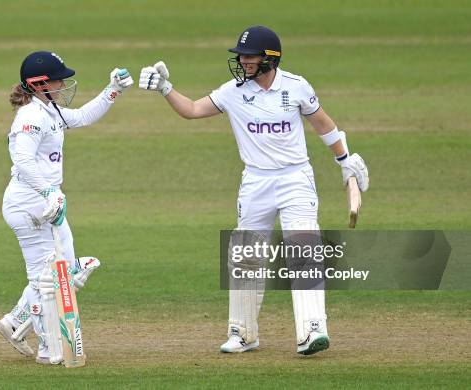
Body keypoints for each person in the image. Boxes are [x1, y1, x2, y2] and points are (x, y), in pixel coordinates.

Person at [139, 26, 369, 355]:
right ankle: (243, 333)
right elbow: (191, 110)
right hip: (256, 182)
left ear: (269, 59)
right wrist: (165, 88)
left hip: (295, 179)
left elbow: (322, 124)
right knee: (246, 254)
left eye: (249, 56)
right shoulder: (233, 92)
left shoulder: (296, 86)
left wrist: (345, 160)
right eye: (241, 56)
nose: (243, 61)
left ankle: (312, 330)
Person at [0, 51, 133, 364]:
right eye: (59, 79)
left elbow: (82, 116)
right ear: (40, 84)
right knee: (48, 278)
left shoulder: (49, 110)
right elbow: (23, 160)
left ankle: (15, 321)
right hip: (30, 202)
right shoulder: (30, 116)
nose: (64, 83)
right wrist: (47, 191)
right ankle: (48, 347)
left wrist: (114, 90)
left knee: (66, 270)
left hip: (47, 199)